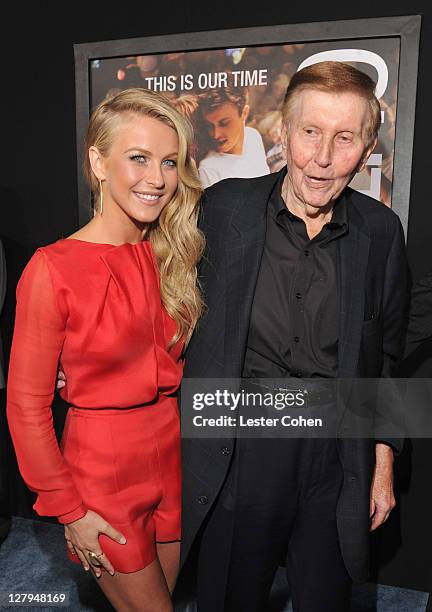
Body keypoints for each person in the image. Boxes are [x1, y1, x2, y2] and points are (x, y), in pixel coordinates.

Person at [180, 62, 408, 611]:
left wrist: (382, 463)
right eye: (310, 132)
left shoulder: (380, 232)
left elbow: (391, 359)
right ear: (283, 131)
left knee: (327, 599)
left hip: (336, 453)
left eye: (345, 138)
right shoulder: (224, 208)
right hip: (241, 445)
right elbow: (160, 294)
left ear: (368, 145)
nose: (322, 158)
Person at [7, 88, 204, 612]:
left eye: (168, 162)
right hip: (103, 468)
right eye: (137, 158)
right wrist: (69, 510)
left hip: (171, 455)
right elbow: (26, 408)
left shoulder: (171, 255)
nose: (157, 178)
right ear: (98, 161)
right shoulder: (53, 268)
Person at [196, 84, 269, 188]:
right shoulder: (209, 169)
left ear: (244, 113)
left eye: (224, 123)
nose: (215, 134)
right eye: (210, 125)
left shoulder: (253, 136)